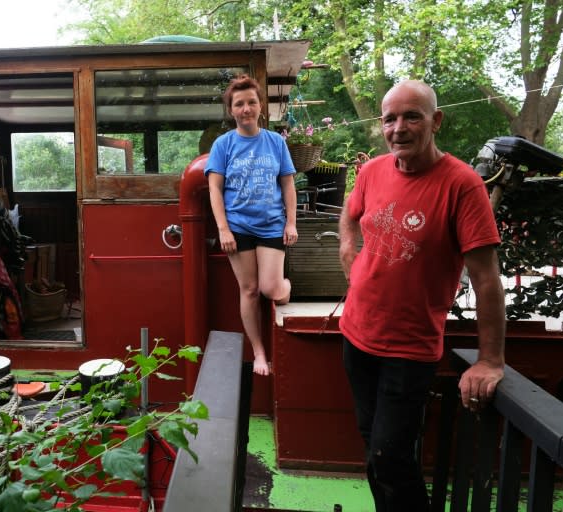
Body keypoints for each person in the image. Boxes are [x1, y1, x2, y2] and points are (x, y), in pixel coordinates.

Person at [338, 80, 506, 511]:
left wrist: (490, 360)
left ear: (436, 121)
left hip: (409, 350)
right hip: (356, 336)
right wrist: (350, 259)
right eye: (390, 118)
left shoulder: (462, 185)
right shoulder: (373, 170)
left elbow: (486, 279)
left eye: (412, 116)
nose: (399, 128)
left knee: (390, 457)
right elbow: (350, 215)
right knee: (372, 445)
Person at [204, 74, 298, 376]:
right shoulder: (223, 145)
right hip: (238, 227)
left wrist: (291, 223)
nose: (246, 109)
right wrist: (223, 229)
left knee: (271, 288)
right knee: (249, 289)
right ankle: (258, 352)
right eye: (239, 104)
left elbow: (288, 185)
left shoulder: (275, 143)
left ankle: (286, 289)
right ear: (232, 110)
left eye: (252, 103)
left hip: (271, 224)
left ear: (261, 107)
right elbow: (214, 189)